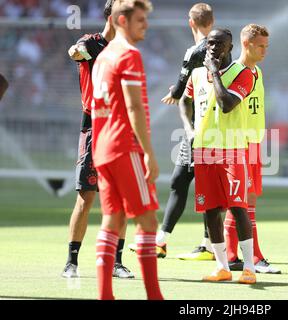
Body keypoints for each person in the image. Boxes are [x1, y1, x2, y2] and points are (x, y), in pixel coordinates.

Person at [91, 0, 163, 300]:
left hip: (103, 148)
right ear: (122, 21)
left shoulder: (104, 56)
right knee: (147, 220)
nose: (145, 24)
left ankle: (106, 295)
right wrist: (148, 151)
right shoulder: (128, 54)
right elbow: (133, 107)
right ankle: (154, 296)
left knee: (113, 220)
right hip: (125, 146)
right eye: (140, 19)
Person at [62, 0, 134, 279]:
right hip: (94, 126)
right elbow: (75, 52)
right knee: (86, 197)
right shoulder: (90, 43)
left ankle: (116, 262)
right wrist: (75, 51)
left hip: (120, 129)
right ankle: (71, 262)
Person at [180, 28, 257, 284]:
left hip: (233, 150)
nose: (214, 48)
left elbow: (226, 105)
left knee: (237, 207)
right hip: (204, 151)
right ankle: (222, 267)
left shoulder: (243, 74)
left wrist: (214, 71)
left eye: (220, 44)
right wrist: (189, 130)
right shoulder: (196, 74)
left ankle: (249, 268)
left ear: (230, 47)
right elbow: (184, 101)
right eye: (210, 43)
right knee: (210, 210)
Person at [149, 3, 216, 260]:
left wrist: (173, 92)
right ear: (212, 21)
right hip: (217, 128)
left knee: (179, 181)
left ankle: (161, 242)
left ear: (191, 23)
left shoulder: (195, 50)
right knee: (205, 185)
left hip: (198, 129)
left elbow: (179, 89)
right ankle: (208, 244)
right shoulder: (223, 46)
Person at [223, 24, 280, 274]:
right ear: (246, 44)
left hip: (254, 144)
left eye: (267, 46)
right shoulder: (234, 71)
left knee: (245, 201)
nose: (265, 51)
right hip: (238, 144)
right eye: (260, 46)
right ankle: (255, 258)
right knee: (243, 202)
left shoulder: (258, 71)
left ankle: (233, 254)